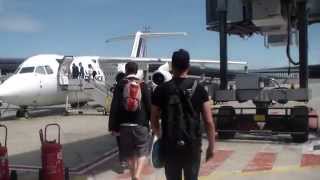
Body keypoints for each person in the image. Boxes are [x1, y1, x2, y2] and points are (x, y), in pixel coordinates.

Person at [150, 49, 216, 180]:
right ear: (188, 67)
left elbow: (153, 118)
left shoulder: (161, 89)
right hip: (192, 145)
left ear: (172, 67)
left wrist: (160, 136)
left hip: (170, 145)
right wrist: (211, 146)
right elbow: (208, 121)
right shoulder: (200, 89)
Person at [109, 62, 151, 180]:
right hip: (141, 124)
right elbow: (148, 105)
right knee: (142, 151)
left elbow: (115, 106)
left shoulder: (120, 85)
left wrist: (113, 126)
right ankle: (137, 174)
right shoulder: (143, 84)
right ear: (136, 71)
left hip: (124, 125)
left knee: (129, 153)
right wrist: (152, 123)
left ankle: (133, 175)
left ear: (126, 71)